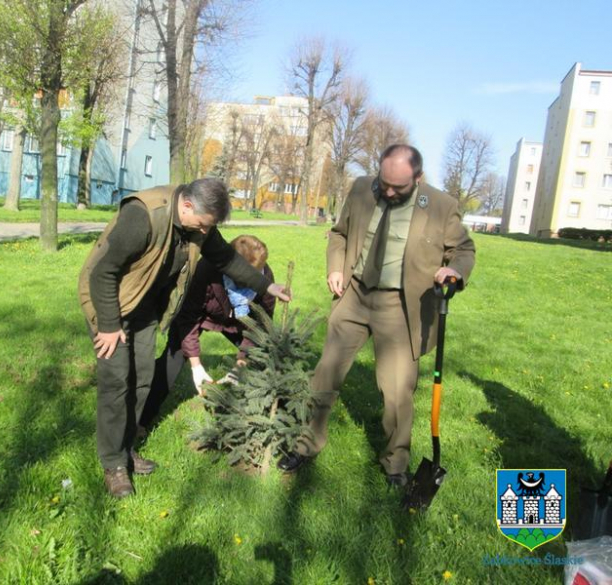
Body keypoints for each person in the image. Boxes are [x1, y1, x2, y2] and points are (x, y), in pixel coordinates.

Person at [277, 144, 476, 487]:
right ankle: (305, 445)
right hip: (354, 294)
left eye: (397, 187)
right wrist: (336, 267)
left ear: (418, 178)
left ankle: (395, 464)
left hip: (400, 307)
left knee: (397, 391)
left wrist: (454, 272)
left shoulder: (441, 207)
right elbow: (339, 234)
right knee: (325, 375)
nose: (387, 191)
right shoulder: (360, 189)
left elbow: (463, 249)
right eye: (384, 182)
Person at [78, 178, 290, 498]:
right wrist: (108, 325)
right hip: (110, 302)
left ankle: (126, 448)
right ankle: (114, 465)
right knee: (117, 380)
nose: (206, 232)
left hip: (146, 304)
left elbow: (228, 259)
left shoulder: (197, 224)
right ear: (187, 206)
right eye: (204, 225)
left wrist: (266, 287)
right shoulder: (142, 215)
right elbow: (103, 271)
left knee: (143, 378)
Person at [139, 235, 276, 431]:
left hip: (239, 322)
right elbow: (187, 318)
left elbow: (258, 327)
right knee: (173, 359)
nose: (248, 282)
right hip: (202, 315)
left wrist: (240, 365)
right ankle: (141, 419)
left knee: (265, 356)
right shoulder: (206, 270)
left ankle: (264, 419)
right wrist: (195, 365)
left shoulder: (266, 281)